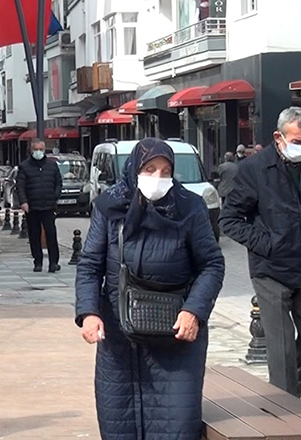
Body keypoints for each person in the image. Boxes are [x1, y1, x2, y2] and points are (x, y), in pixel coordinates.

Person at [75, 138, 225, 440]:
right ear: (134, 169)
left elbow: (212, 265)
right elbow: (90, 264)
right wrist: (89, 312)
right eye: (150, 168)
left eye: (166, 171)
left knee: (178, 426)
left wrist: (193, 311)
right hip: (120, 339)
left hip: (175, 339)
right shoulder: (109, 207)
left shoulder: (189, 208)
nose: (158, 178)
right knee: (119, 426)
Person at [219, 107, 301, 397]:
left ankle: (284, 401)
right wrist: (267, 244)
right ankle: (285, 414)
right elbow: (228, 220)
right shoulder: (254, 169)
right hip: (271, 271)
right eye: (297, 141)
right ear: (278, 137)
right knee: (281, 350)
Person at [16, 139, 62, 273]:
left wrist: (55, 195)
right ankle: (38, 261)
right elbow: (20, 186)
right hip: (32, 207)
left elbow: (58, 182)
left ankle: (54, 262)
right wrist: (23, 202)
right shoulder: (24, 167)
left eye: (41, 149)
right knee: (34, 235)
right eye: (36, 149)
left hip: (48, 206)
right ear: (31, 150)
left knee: (51, 234)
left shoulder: (52, 166)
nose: (38, 152)